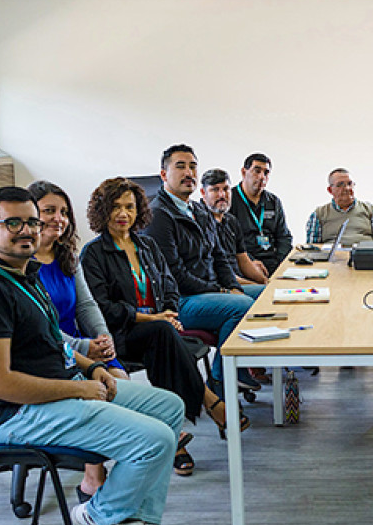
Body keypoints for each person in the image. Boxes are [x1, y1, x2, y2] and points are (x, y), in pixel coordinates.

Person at [0, 186, 183, 525]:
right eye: (13, 223)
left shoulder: (24, 274)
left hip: (61, 387)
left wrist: (91, 367)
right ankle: (103, 514)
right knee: (155, 440)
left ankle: (127, 519)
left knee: (169, 407)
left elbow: (53, 342)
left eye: (32, 222)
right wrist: (77, 390)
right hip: (17, 413)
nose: (27, 230)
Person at [82, 177, 252, 475]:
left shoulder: (146, 245)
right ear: (102, 211)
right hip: (120, 334)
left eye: (130, 207)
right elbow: (103, 307)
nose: (123, 214)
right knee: (162, 336)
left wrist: (169, 312)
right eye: (115, 207)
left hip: (159, 328)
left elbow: (170, 285)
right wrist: (153, 319)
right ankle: (212, 403)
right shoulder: (94, 253)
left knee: (163, 341)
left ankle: (175, 438)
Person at [144, 144, 258, 390]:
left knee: (265, 295)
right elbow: (174, 275)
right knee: (242, 306)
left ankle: (235, 369)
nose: (189, 173)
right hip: (180, 300)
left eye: (193, 167)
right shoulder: (158, 215)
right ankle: (221, 380)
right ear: (163, 174)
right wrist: (222, 291)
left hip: (209, 291)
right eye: (180, 166)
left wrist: (233, 286)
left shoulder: (198, 210)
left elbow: (220, 257)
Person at [26, 181, 126, 380]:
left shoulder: (69, 257)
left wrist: (104, 337)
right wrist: (83, 347)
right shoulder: (22, 264)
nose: (59, 219)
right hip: (53, 351)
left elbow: (86, 305)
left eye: (64, 212)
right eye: (49, 211)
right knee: (111, 390)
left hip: (83, 344)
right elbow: (39, 326)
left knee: (122, 379)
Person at [198, 168, 268, 294]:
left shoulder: (231, 220)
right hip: (222, 285)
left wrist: (265, 281)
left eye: (225, 189)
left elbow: (243, 260)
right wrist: (257, 286)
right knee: (265, 293)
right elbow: (221, 272)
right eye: (215, 190)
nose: (222, 195)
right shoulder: (200, 222)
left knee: (271, 290)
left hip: (238, 280)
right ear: (203, 193)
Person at [228, 152, 292, 276]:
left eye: (266, 173)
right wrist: (249, 263)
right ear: (243, 172)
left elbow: (284, 237)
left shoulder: (273, 201)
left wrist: (281, 262)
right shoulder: (229, 200)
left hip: (273, 262)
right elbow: (228, 243)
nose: (262, 177)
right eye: (257, 171)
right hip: (245, 263)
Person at [305, 168, 373, 245]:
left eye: (350, 184)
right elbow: (312, 247)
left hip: (364, 254)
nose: (347, 188)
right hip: (332, 255)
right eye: (340, 184)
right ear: (330, 190)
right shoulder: (318, 214)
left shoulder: (371, 210)